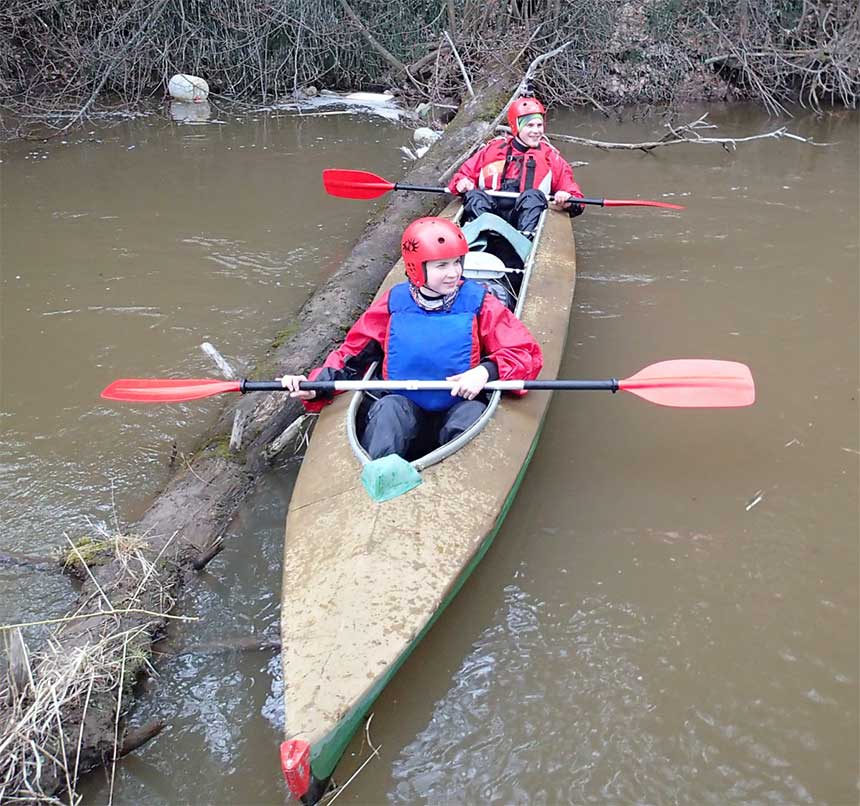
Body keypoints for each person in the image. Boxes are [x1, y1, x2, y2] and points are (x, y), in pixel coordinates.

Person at [280, 217, 543, 461]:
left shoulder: (480, 304)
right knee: (387, 411)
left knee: (471, 415)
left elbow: (525, 353)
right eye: (442, 265)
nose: (453, 273)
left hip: (460, 406)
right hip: (404, 407)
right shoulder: (393, 305)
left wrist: (485, 372)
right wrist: (316, 385)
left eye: (457, 262)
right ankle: (380, 478)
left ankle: (450, 479)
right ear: (416, 269)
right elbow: (351, 357)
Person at [447, 97, 585, 238]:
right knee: (474, 196)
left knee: (533, 196)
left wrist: (567, 199)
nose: (536, 131)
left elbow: (576, 198)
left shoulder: (551, 157)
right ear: (516, 126)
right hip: (491, 214)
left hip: (525, 219)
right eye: (530, 126)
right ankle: (480, 240)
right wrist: (463, 183)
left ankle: (524, 242)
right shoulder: (492, 150)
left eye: (539, 125)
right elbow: (462, 176)